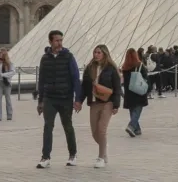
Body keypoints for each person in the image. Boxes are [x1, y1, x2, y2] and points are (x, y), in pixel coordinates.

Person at [36, 30, 83, 169]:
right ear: (50, 41)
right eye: (57, 40)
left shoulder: (68, 57)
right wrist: (40, 101)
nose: (60, 43)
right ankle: (45, 157)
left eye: (61, 40)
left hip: (65, 98)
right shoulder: (45, 58)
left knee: (68, 126)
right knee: (47, 127)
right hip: (49, 98)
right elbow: (42, 80)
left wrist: (78, 99)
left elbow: (75, 78)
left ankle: (73, 154)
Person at [81, 44, 121, 169]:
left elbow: (117, 88)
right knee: (94, 132)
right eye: (95, 52)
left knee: (102, 130)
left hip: (107, 102)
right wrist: (79, 101)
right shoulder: (89, 68)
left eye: (99, 52)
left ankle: (101, 157)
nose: (96, 54)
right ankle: (104, 150)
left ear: (104, 54)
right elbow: (84, 87)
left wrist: (116, 104)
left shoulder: (111, 69)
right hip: (94, 102)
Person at [122, 48, 149, 138]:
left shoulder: (125, 67)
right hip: (138, 90)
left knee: (132, 110)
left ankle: (137, 129)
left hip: (129, 91)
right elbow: (145, 76)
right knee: (137, 110)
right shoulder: (139, 65)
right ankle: (131, 126)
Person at [0, 48, 15, 121]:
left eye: (0, 53)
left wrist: (3, 75)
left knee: (7, 99)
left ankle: (9, 115)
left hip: (6, 83)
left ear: (4, 54)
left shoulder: (9, 63)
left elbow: (12, 72)